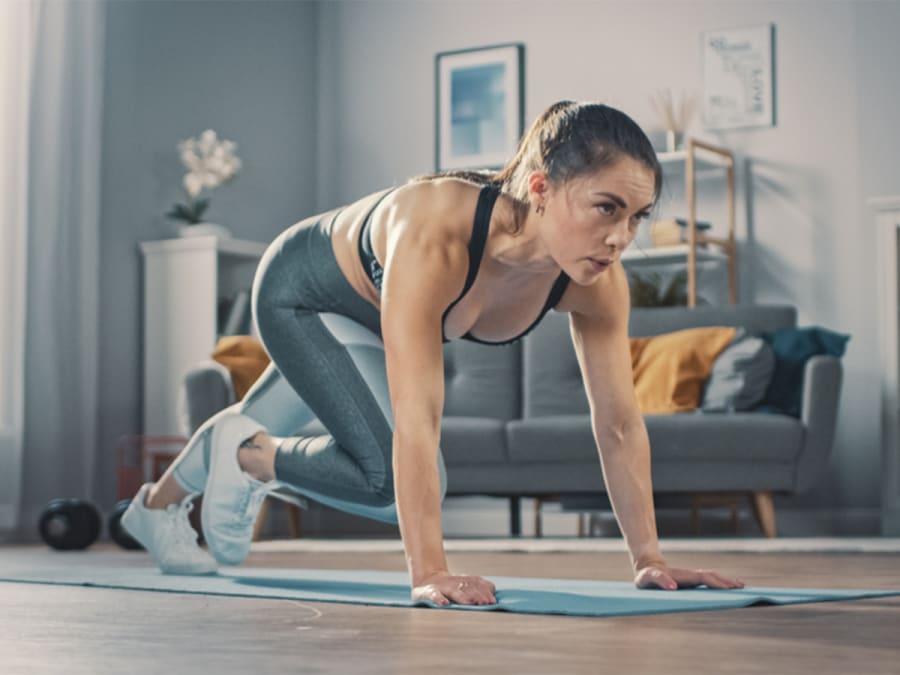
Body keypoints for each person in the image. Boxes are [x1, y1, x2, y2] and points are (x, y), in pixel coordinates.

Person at [122, 100, 745, 606]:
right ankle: (250, 457)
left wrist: (650, 561)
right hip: (304, 296)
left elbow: (617, 424)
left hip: (361, 322)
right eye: (606, 208)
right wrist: (430, 571)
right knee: (391, 479)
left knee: (323, 438)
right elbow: (417, 418)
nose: (621, 238)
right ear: (541, 189)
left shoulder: (597, 283)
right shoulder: (439, 235)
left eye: (636, 217)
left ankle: (153, 509)